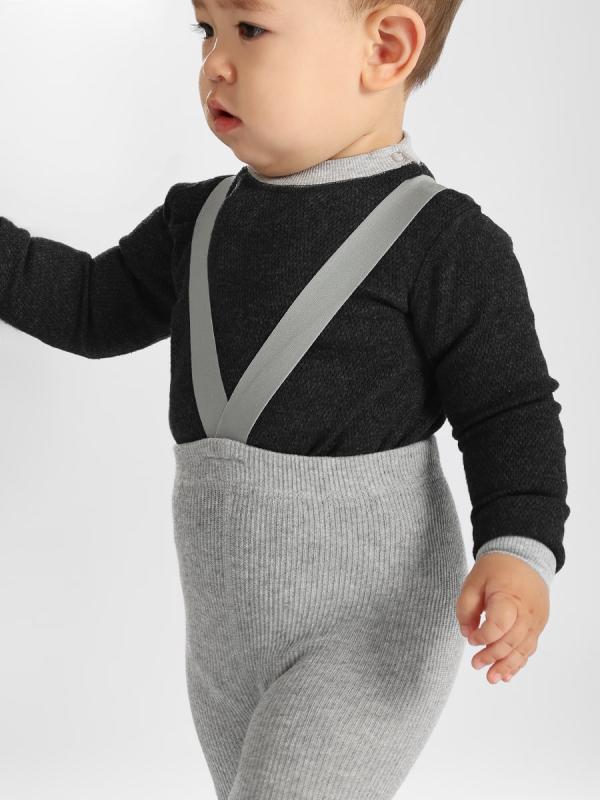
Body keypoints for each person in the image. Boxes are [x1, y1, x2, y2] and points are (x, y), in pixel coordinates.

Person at [0, 1, 569, 797]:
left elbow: (510, 409)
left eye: (250, 29)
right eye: (206, 30)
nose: (214, 63)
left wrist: (518, 551)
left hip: (368, 633)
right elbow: (90, 308)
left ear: (385, 47)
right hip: (223, 639)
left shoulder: (444, 241)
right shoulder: (195, 221)